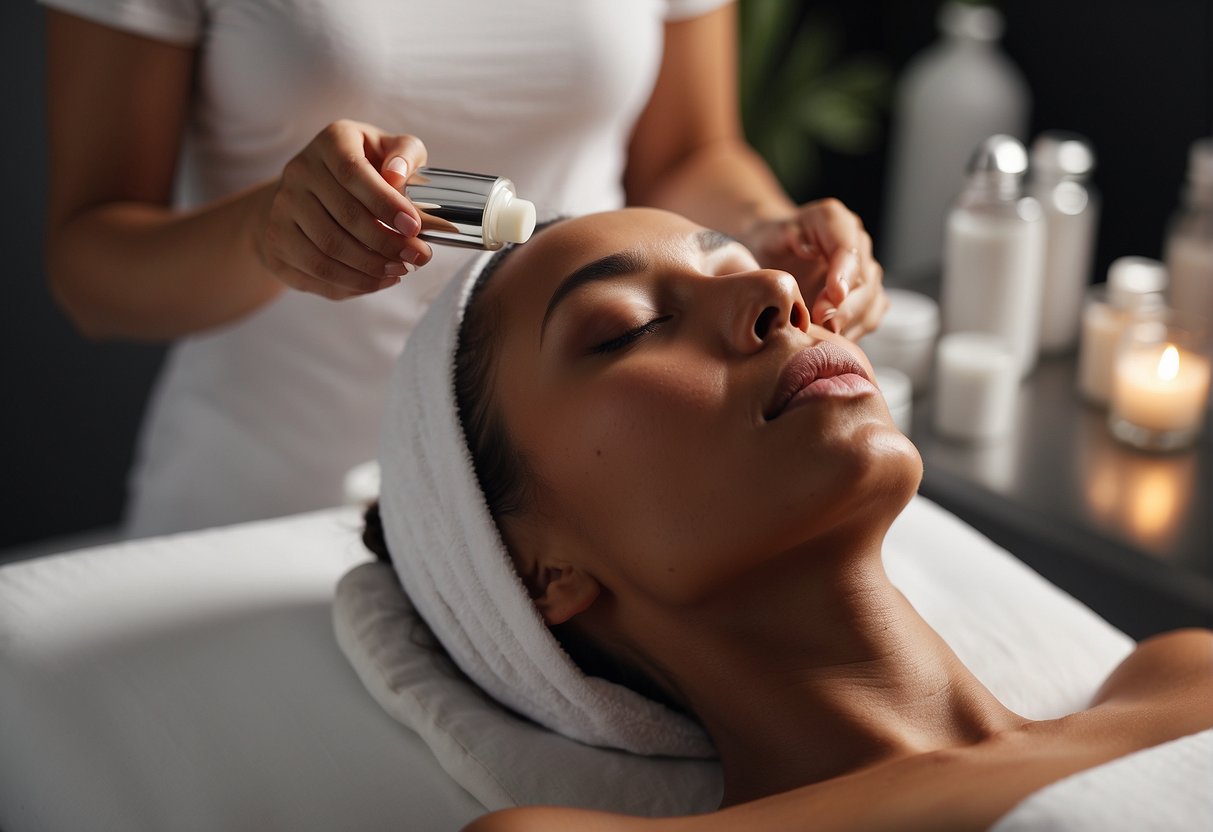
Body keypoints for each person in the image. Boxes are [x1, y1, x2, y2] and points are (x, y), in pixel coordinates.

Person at [366, 208, 1213, 832]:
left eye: (738, 265)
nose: (777, 289)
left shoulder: (1187, 677)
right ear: (537, 572)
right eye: (632, 326)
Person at [43, 0, 888, 537]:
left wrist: (763, 229)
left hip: (558, 509)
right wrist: (262, 235)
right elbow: (91, 272)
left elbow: (688, 153)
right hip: (267, 495)